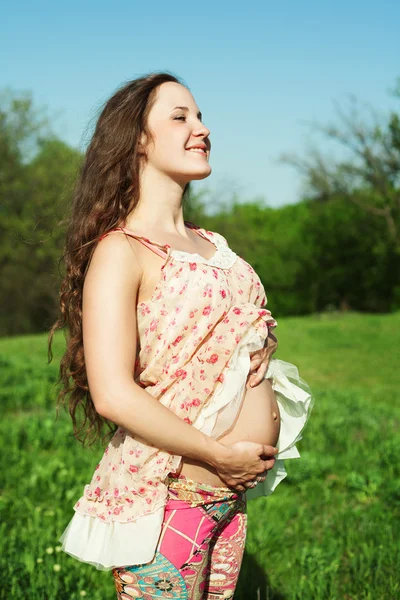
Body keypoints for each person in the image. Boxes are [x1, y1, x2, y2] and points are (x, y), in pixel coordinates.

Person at [49, 72, 314, 599]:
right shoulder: (121, 251)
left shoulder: (215, 245)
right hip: (167, 498)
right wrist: (217, 456)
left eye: (199, 115)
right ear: (137, 141)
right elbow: (112, 392)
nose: (202, 128)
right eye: (180, 117)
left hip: (227, 504)